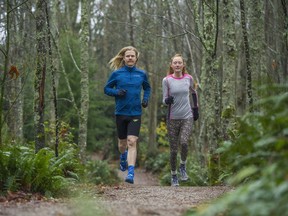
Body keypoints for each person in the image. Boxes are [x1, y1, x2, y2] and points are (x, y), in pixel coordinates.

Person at [104, 46, 151, 184]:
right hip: (121, 112)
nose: (130, 58)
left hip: (135, 112)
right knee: (122, 143)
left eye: (132, 56)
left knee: (132, 141)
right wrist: (116, 92)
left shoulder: (141, 74)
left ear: (136, 58)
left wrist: (146, 99)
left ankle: (130, 172)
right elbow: (106, 89)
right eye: (127, 56)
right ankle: (123, 156)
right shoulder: (117, 74)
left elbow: (147, 87)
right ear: (123, 58)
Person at [162, 54, 199, 186]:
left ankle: (182, 166)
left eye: (180, 63)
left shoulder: (188, 78)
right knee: (173, 150)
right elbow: (164, 99)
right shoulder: (166, 80)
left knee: (183, 142)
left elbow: (194, 93)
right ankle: (173, 175)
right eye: (175, 63)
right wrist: (167, 100)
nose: (177, 65)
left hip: (187, 116)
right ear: (171, 65)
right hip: (172, 118)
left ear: (183, 65)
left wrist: (196, 109)